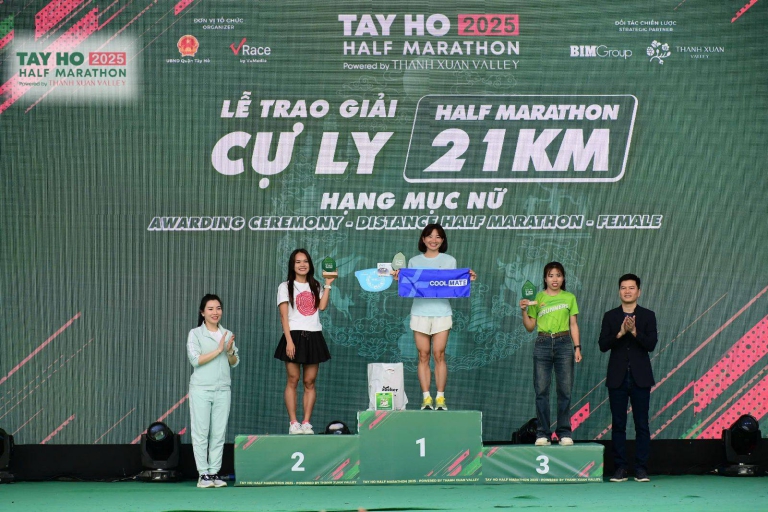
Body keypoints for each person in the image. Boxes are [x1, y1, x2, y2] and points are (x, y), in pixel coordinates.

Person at [393, 223, 476, 411]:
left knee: (439, 354)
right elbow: (409, 284)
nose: (434, 240)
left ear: (443, 240)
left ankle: (440, 398)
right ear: (423, 239)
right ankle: (426, 398)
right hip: (419, 313)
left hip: (442, 313)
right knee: (423, 355)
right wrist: (399, 278)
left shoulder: (450, 261)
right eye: (430, 236)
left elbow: (453, 284)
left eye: (438, 236)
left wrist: (467, 278)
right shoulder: (413, 261)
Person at [599, 274, 657, 483]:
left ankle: (641, 469)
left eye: (631, 288)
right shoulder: (610, 316)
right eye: (623, 288)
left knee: (642, 424)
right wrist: (620, 333)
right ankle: (620, 468)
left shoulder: (648, 315)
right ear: (619, 291)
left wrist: (634, 331)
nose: (627, 291)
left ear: (638, 292)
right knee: (618, 425)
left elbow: (651, 344)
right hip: (618, 378)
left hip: (641, 377)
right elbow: (603, 345)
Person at [519, 262, 582, 446]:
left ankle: (564, 432)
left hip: (564, 343)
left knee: (565, 391)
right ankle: (543, 434)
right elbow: (530, 327)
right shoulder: (537, 297)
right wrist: (523, 311)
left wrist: (577, 347)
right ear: (545, 278)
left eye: (558, 275)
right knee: (541, 391)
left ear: (563, 278)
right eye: (551, 275)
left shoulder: (569, 297)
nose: (555, 279)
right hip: (543, 343)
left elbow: (573, 324)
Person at [274, 249, 334, 434]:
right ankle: (293, 423)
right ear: (292, 265)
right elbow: (284, 317)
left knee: (310, 381)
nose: (302, 265)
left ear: (310, 264)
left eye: (305, 261)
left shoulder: (316, 285)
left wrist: (328, 284)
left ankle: (306, 422)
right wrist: (289, 341)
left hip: (314, 335)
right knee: (293, 379)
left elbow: (321, 307)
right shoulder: (285, 286)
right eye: (298, 261)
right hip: (293, 335)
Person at [187, 294, 239, 488]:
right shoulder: (195, 334)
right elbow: (195, 360)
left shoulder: (227, 333)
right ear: (202, 312)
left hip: (223, 389)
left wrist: (229, 351)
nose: (215, 312)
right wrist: (218, 350)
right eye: (210, 309)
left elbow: (234, 362)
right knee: (201, 433)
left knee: (218, 433)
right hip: (201, 389)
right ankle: (203, 475)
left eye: (218, 308)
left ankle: (214, 473)